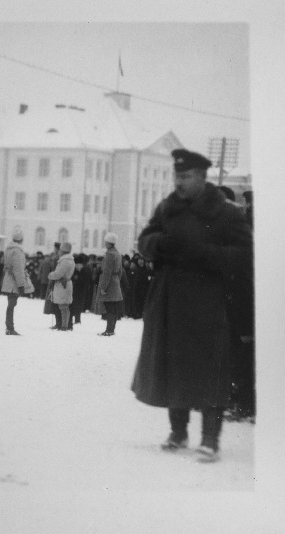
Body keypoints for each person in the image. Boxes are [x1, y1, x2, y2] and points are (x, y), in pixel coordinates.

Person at [130, 148, 252, 463]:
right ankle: (178, 432)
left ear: (201, 176)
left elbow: (244, 256)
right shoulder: (167, 207)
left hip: (208, 301)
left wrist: (202, 253)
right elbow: (144, 241)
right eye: (177, 176)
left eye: (185, 176)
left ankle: (210, 439)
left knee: (211, 369)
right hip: (169, 299)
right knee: (174, 364)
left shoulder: (227, 213)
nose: (179, 182)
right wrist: (158, 245)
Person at [1, 226, 27, 335]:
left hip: (8, 279)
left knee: (10, 303)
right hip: (14, 282)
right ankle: (10, 327)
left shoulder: (8, 249)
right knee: (12, 304)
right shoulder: (18, 251)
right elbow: (18, 269)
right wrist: (21, 285)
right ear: (21, 239)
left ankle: (9, 326)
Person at [96, 233, 123, 336]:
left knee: (109, 308)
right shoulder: (117, 254)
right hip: (115, 281)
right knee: (113, 308)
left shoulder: (109, 255)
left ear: (108, 242)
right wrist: (117, 281)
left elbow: (107, 272)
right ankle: (111, 329)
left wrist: (103, 287)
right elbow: (120, 270)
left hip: (110, 283)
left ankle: (109, 330)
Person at [48, 242, 75, 331]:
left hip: (62, 285)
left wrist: (50, 275)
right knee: (64, 306)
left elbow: (58, 274)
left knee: (63, 307)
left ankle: (64, 326)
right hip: (65, 284)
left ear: (63, 251)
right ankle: (63, 325)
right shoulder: (69, 260)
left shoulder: (64, 260)